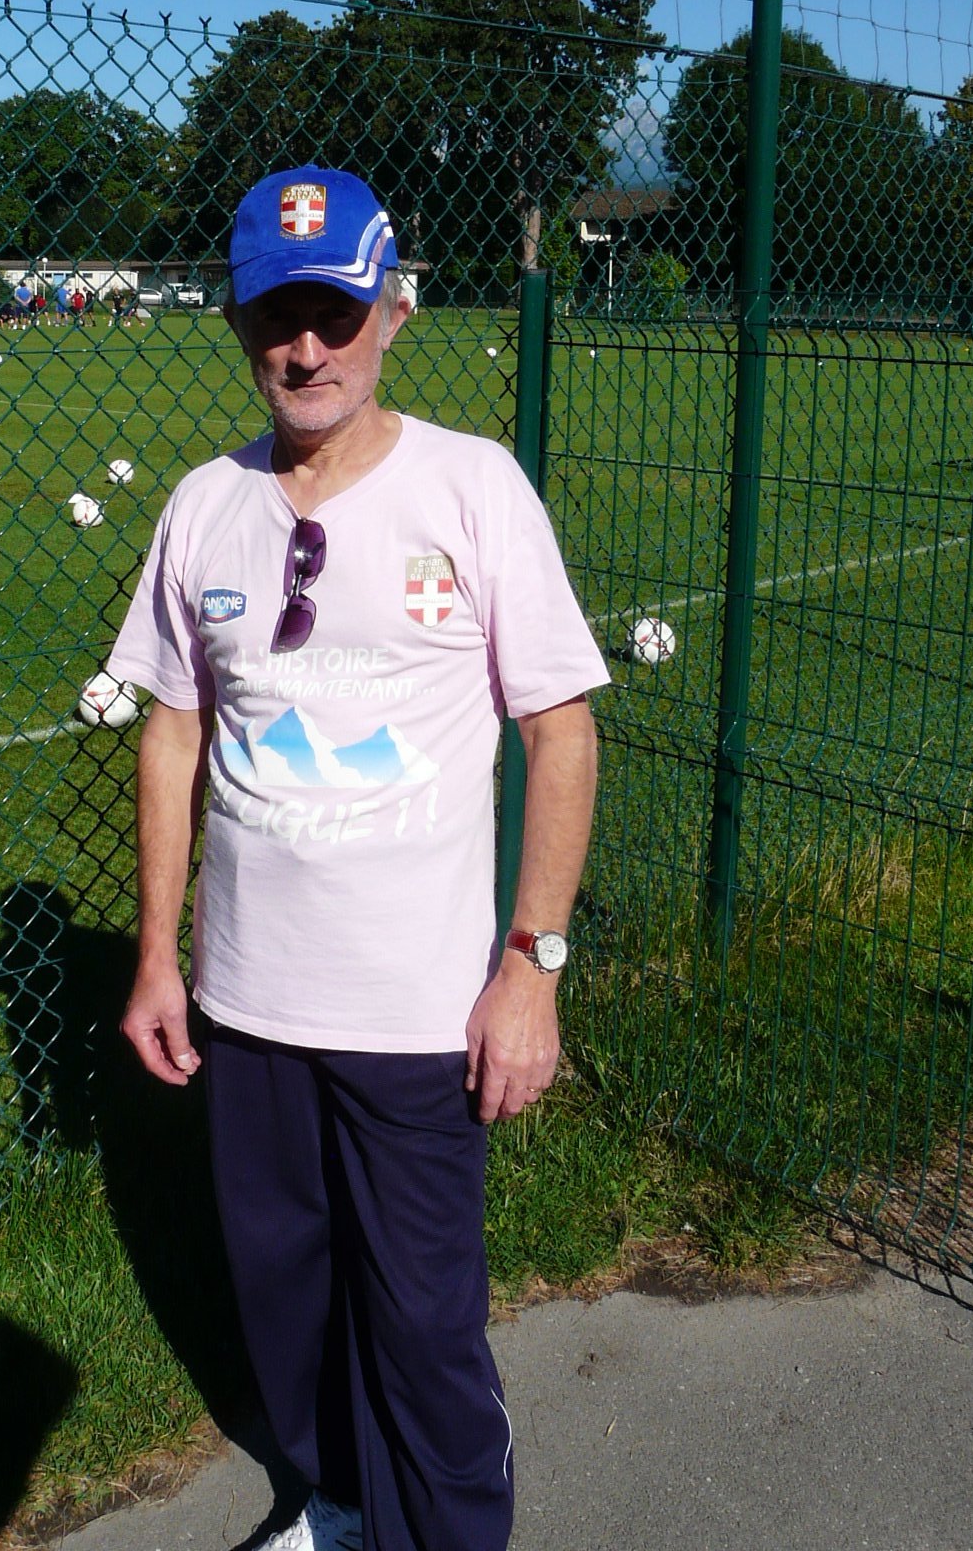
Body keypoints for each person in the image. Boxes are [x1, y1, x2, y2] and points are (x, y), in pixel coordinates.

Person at [107, 166, 607, 1551]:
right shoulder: (204, 504)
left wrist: (532, 970)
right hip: (249, 1005)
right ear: (236, 322)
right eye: (277, 315)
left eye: (335, 312)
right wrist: (157, 958)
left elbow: (561, 732)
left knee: (425, 1328)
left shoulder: (473, 486)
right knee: (286, 1293)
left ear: (394, 310)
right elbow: (172, 729)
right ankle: (336, 1503)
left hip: (418, 1016)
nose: (307, 348)